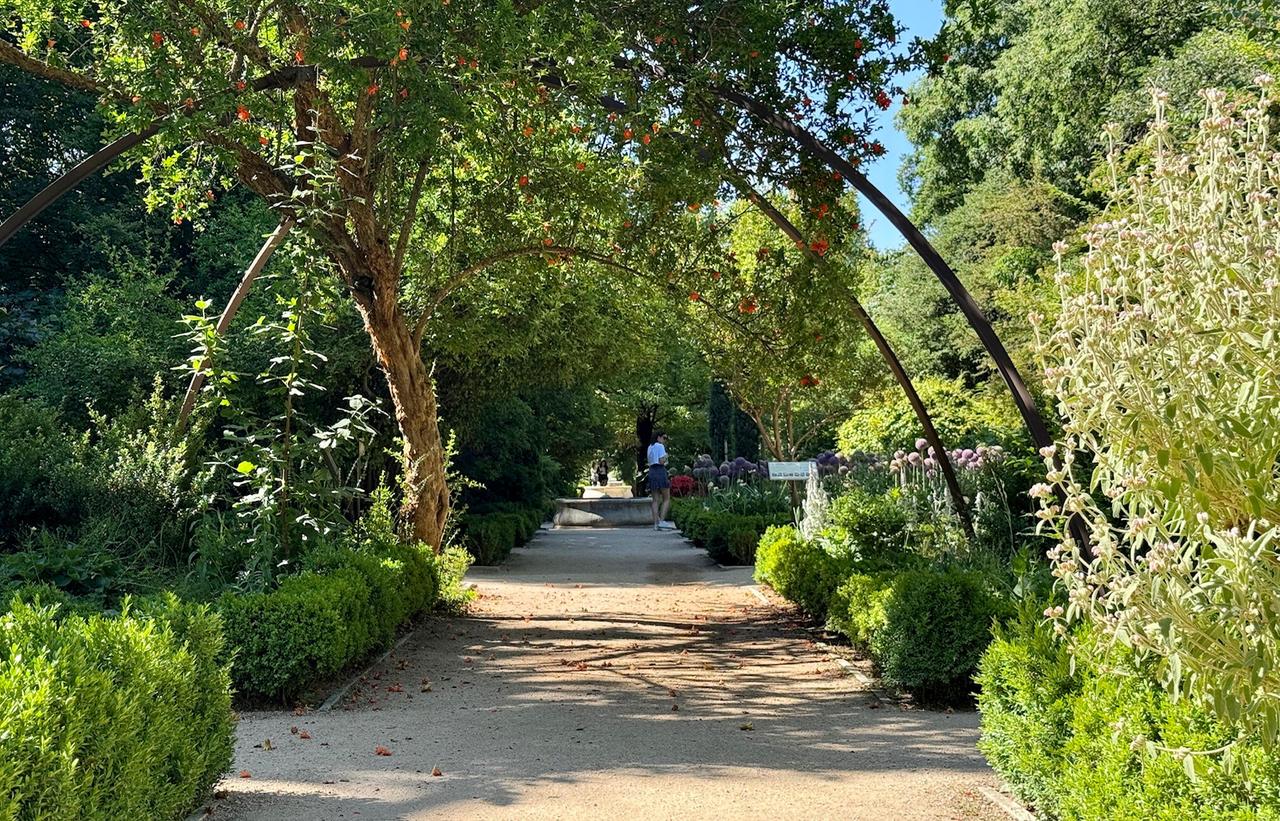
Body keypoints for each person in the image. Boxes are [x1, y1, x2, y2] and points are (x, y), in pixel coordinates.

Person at [647, 431, 674, 530]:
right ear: (658, 437)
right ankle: (662, 521)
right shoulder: (660, 446)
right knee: (666, 498)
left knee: (655, 500)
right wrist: (666, 456)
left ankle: (655, 524)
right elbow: (661, 461)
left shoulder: (650, 447)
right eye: (664, 437)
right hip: (660, 470)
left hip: (652, 471)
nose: (664, 440)